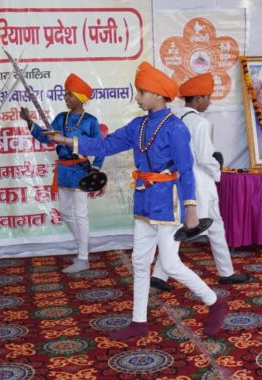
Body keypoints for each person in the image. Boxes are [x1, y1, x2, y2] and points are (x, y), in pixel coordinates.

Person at [50, 62, 227, 339]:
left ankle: (215, 302)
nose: (137, 97)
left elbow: (186, 170)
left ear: (158, 95)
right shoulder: (138, 125)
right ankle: (139, 322)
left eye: (141, 92)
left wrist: (191, 208)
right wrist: (67, 140)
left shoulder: (176, 128)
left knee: (170, 264)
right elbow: (106, 145)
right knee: (140, 262)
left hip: (168, 203)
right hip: (144, 199)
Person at [150, 73, 250, 292]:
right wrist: (217, 168)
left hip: (177, 180)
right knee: (185, 228)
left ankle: (224, 272)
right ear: (197, 99)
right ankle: (162, 274)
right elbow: (205, 158)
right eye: (207, 97)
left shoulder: (174, 119)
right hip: (200, 182)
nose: (209, 102)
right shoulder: (201, 123)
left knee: (197, 226)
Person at [20, 73, 104, 273]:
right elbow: (47, 138)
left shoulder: (90, 121)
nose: (65, 98)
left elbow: (100, 147)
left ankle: (83, 258)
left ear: (80, 98)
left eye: (69, 95)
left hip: (81, 170)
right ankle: (83, 244)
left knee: (81, 213)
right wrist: (30, 122)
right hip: (64, 170)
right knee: (65, 211)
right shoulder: (60, 118)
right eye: (65, 94)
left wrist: (96, 167)